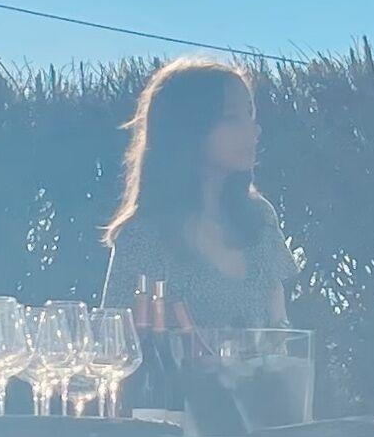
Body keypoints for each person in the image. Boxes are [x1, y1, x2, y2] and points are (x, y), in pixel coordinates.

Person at [102, 59, 297, 327]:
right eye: (232, 118)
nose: (253, 130)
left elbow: (280, 328)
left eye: (251, 115)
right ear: (187, 130)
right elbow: (118, 346)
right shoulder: (143, 235)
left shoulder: (260, 217)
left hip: (263, 371)